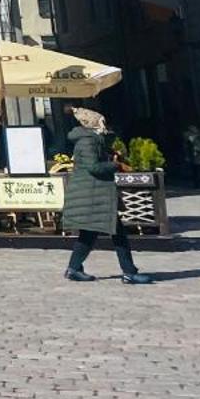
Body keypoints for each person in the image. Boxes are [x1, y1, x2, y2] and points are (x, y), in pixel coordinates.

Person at [63, 107, 151, 284]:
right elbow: (94, 167)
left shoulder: (92, 140)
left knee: (90, 234)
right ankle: (129, 272)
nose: (105, 125)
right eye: (102, 122)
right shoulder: (88, 141)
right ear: (94, 124)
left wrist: (110, 153)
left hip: (96, 194)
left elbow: (97, 157)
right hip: (94, 194)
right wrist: (115, 165)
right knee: (117, 233)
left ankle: (73, 269)